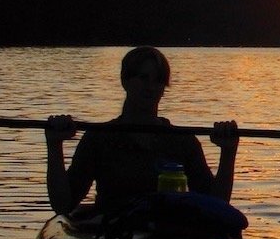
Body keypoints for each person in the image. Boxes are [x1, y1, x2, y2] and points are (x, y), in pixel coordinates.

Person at [45, 46, 238, 218]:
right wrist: (55, 145)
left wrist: (228, 152)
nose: (150, 87)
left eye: (158, 80)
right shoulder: (99, 138)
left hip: (167, 236)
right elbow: (63, 205)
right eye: (143, 78)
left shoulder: (183, 141)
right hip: (113, 235)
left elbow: (216, 205)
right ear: (125, 81)